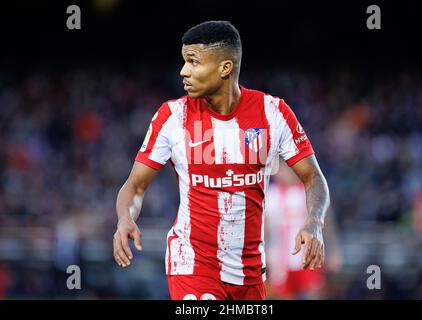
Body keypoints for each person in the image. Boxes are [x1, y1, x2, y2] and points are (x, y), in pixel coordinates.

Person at [113, 20, 330, 300]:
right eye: (184, 62)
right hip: (192, 265)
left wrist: (314, 222)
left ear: (224, 68)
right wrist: (124, 218)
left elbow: (314, 178)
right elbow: (136, 186)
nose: (183, 71)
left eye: (193, 62)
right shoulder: (172, 117)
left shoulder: (273, 113)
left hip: (250, 273)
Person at [265, 160, 341, 299]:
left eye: (287, 169)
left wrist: (333, 252)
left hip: (308, 256)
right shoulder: (271, 194)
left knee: (314, 293)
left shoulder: (311, 192)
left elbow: (327, 222)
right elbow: (265, 229)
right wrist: (264, 254)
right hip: (280, 261)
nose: (283, 173)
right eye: (280, 170)